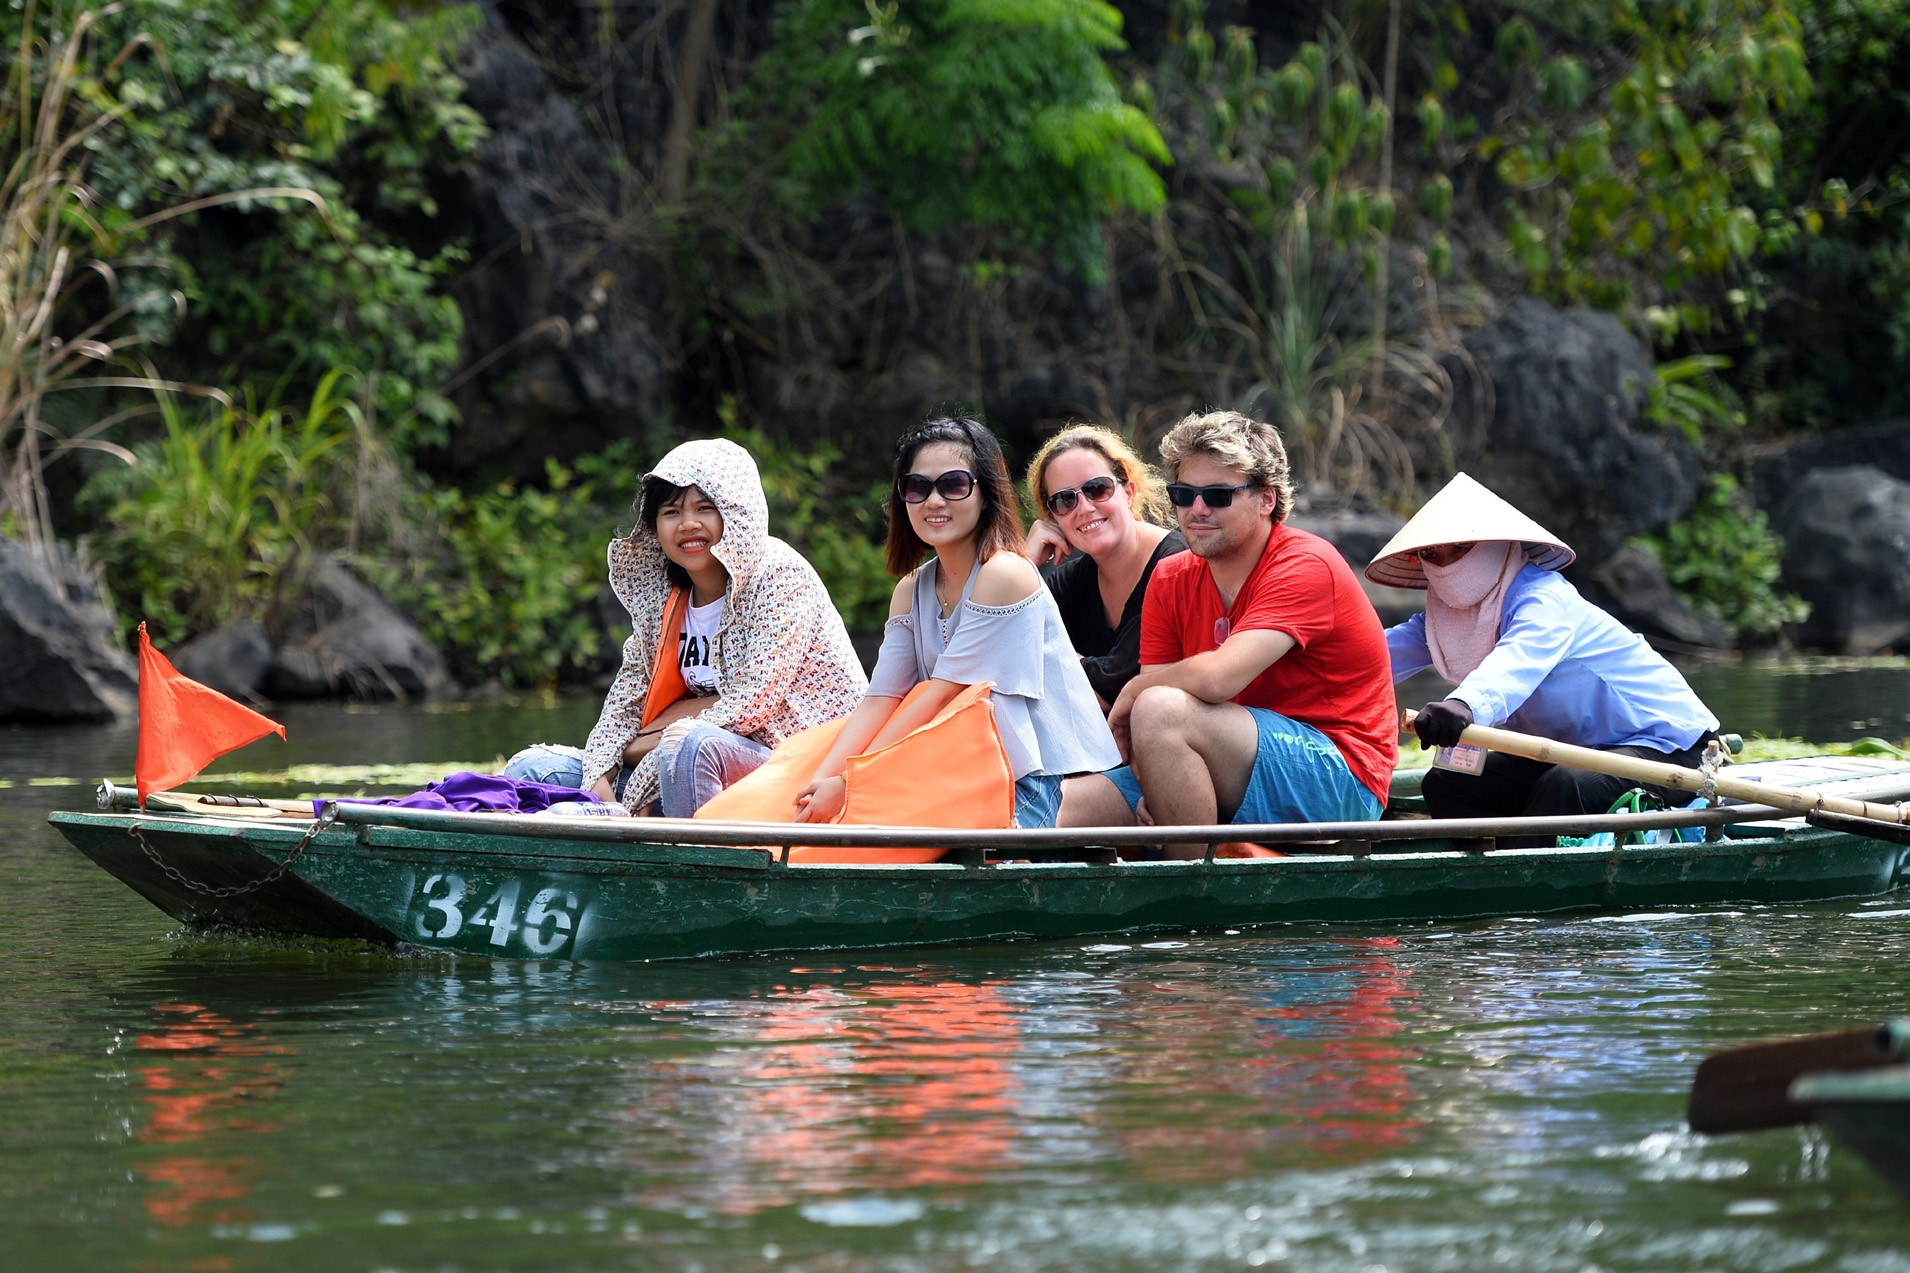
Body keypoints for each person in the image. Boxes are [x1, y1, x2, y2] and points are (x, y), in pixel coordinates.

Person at [1059, 410, 1398, 851]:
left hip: (1340, 778)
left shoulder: (1305, 565)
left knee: (1160, 708)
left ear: (1266, 500)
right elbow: (1153, 707)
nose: (1196, 509)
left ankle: (1193, 901)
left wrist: (1135, 689)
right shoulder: (1169, 577)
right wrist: (1153, 780)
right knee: (1050, 809)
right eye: (1184, 494)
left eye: (1218, 495)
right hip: (1221, 756)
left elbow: (1214, 680)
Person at [505, 438, 866, 815]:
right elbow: (626, 703)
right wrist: (599, 779)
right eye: (671, 512)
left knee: (690, 744)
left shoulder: (777, 576)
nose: (688, 524)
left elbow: (751, 705)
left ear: (737, 514)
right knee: (531, 768)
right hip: (678, 763)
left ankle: (686, 860)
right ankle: (616, 835)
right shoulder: (665, 595)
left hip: (790, 765)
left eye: (705, 508)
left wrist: (643, 759)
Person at [792, 415, 1120, 828]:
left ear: (986, 493)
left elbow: (943, 697)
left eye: (953, 485)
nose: (934, 501)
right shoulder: (910, 590)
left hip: (1044, 782)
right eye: (917, 487)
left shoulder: (1006, 574)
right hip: (963, 773)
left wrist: (851, 779)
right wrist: (822, 779)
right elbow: (882, 699)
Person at [1367, 471, 1720, 837]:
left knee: (1566, 785)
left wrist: (1463, 705)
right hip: (1569, 752)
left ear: (1497, 545)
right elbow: (1372, 656)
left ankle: (1534, 884)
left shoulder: (1545, 599)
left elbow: (1517, 660)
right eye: (1431, 554)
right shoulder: (1445, 620)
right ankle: (1485, 878)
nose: (1447, 565)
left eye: (1460, 549)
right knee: (1447, 780)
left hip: (1664, 746)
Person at [1022, 424, 1186, 707]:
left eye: (1097, 489)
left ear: (1128, 492)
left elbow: (1117, 689)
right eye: (1064, 500)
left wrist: (1044, 656)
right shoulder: (1070, 582)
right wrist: (1024, 565)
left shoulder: (1176, 566)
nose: (1084, 508)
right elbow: (1000, 645)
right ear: (1053, 518)